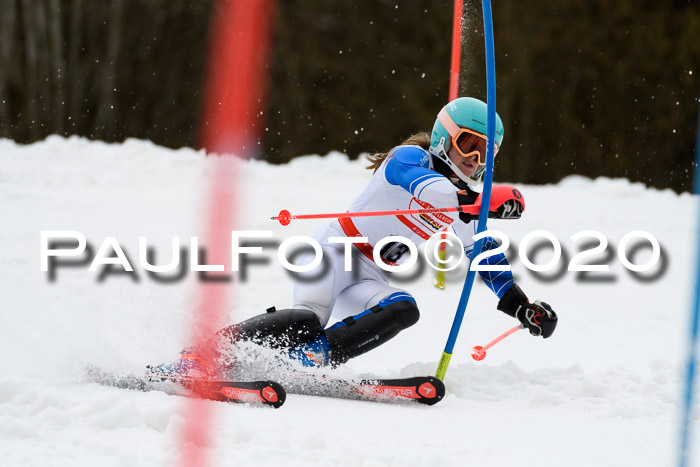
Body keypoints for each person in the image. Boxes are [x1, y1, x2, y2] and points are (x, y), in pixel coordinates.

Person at [149, 97, 558, 379]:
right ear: (442, 137)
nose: (475, 157)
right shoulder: (409, 159)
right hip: (331, 252)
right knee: (308, 319)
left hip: (369, 274)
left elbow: (483, 255)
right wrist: (485, 200)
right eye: (468, 143)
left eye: (487, 152)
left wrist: (521, 307)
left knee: (404, 309)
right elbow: (432, 191)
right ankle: (199, 356)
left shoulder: (467, 199)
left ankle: (309, 361)